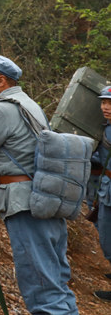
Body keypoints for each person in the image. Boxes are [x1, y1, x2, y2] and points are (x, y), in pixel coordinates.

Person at [0, 54, 78, 313]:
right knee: (56, 281)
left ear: (1, 80)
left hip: (24, 203)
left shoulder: (2, 108)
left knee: (40, 285)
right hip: (44, 197)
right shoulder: (29, 104)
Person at [91, 85, 111, 302]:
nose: (105, 107)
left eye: (110, 103)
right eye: (104, 102)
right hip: (106, 187)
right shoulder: (105, 129)